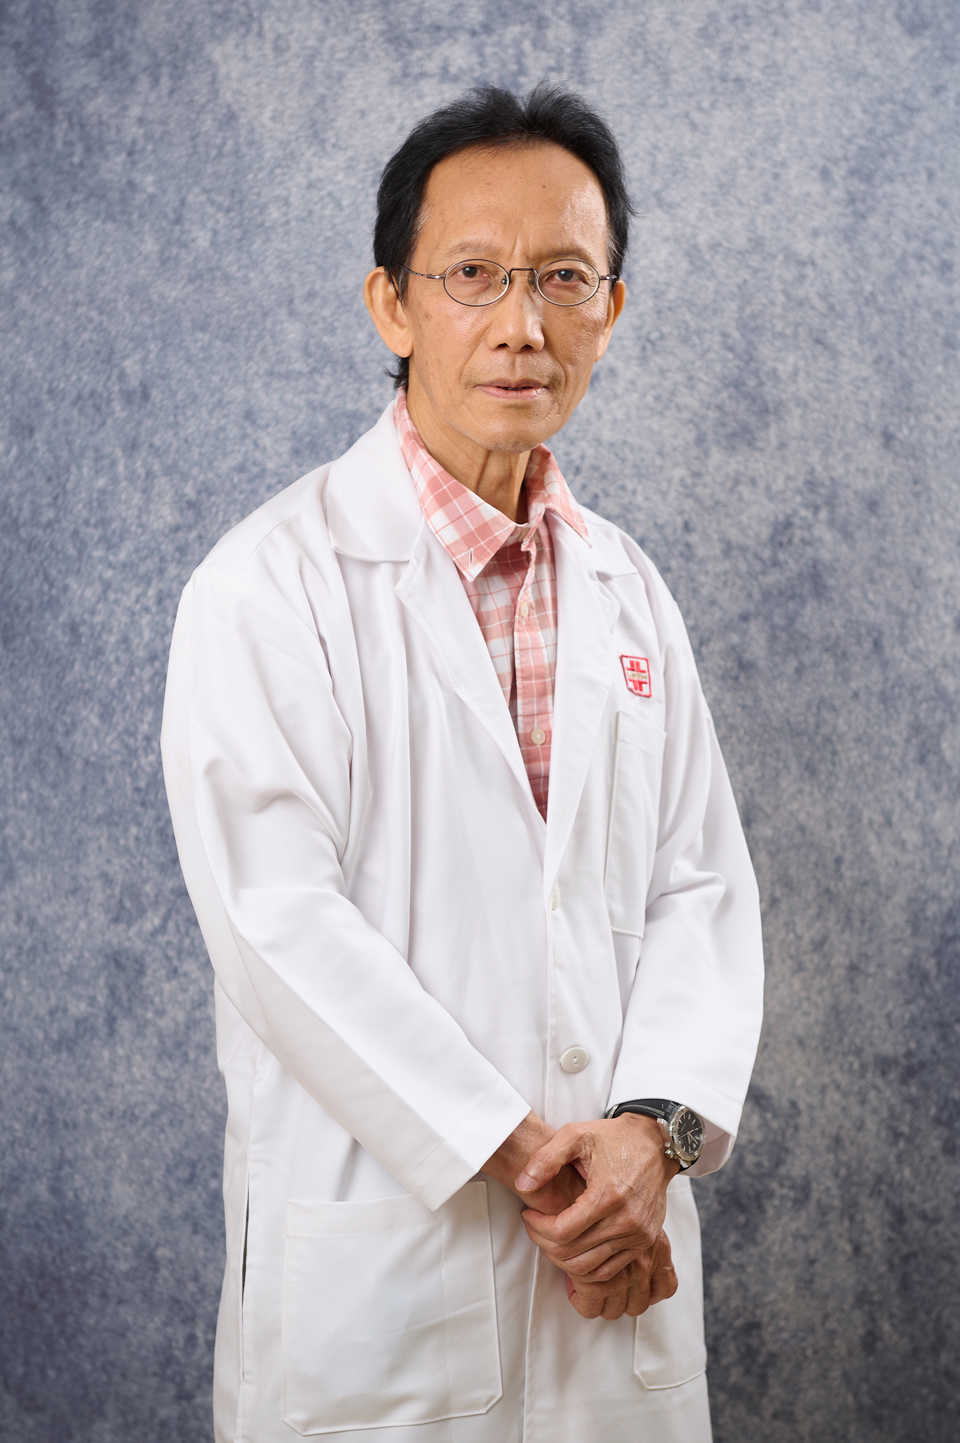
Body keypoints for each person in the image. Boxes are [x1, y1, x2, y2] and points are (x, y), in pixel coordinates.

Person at [161, 83, 764, 1443]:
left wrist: (650, 1134)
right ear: (392, 305)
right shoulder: (270, 587)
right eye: (474, 276)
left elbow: (701, 890)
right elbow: (275, 924)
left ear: (611, 308)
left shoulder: (629, 591)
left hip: (616, 1272)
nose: (521, 325)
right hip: (385, 1290)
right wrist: (530, 1156)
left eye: (564, 278)